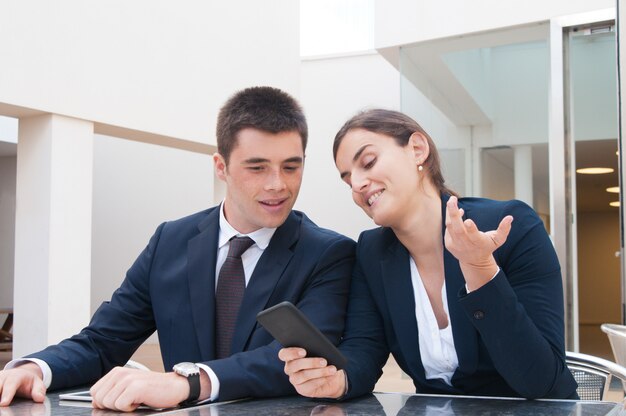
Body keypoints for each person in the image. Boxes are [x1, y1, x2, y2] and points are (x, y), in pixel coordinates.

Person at [0, 86, 355, 411]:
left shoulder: (329, 254)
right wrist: (37, 368)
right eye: (257, 167)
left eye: (291, 167)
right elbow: (103, 341)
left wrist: (186, 382)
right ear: (221, 167)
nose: (278, 184)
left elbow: (299, 360)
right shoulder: (169, 241)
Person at [280, 109, 577, 400]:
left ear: (418, 149)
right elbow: (365, 347)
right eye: (348, 180)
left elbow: (540, 380)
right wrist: (340, 381)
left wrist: (480, 269)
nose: (357, 185)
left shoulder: (511, 226)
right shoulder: (371, 252)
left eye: (368, 162)